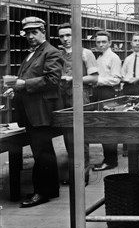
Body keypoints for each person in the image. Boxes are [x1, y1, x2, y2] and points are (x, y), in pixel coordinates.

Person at [2, 17, 63, 207]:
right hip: (31, 111)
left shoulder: (51, 52)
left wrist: (24, 84)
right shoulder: (33, 53)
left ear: (43, 32)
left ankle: (41, 193)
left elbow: (53, 79)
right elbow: (30, 79)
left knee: (41, 152)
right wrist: (16, 89)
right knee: (44, 152)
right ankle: (50, 189)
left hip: (41, 112)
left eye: (34, 32)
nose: (30, 36)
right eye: (27, 33)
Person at [57, 23, 99, 185]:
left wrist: (73, 79)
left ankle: (83, 175)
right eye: (62, 36)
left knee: (81, 138)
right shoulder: (58, 54)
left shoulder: (85, 53)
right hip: (63, 98)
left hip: (81, 97)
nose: (66, 39)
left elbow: (94, 78)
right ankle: (73, 174)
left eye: (68, 35)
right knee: (68, 137)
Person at [92, 30, 122, 172]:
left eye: (104, 42)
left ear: (110, 43)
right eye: (98, 42)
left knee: (108, 127)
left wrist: (98, 80)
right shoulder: (99, 57)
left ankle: (111, 161)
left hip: (107, 93)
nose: (101, 44)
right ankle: (108, 159)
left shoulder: (113, 57)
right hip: (98, 92)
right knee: (102, 127)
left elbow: (116, 79)